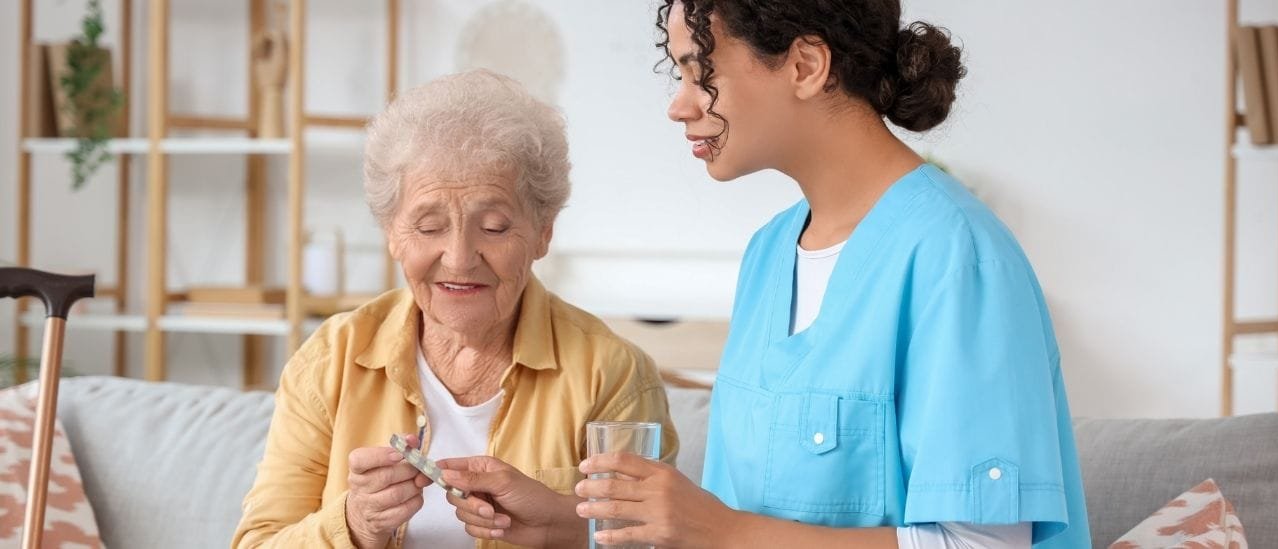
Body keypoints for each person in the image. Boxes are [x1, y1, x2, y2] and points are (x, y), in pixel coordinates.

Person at [447, 2, 1090, 547]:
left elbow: (981, 543)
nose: (678, 105)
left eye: (701, 72)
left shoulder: (957, 257)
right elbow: (730, 521)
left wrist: (725, 532)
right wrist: (561, 521)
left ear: (806, 66)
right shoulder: (770, 253)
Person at [232, 69, 678, 549]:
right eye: (428, 227)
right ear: (391, 234)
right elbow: (258, 541)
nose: (461, 258)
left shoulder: (610, 373)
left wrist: (561, 527)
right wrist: (355, 524)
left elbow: (650, 543)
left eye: (494, 226)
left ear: (543, 232)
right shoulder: (330, 361)